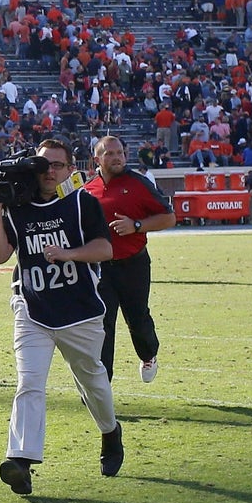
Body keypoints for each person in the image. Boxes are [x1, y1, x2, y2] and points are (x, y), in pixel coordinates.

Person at [0, 138, 124, 496]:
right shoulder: (19, 206)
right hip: (33, 309)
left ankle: (110, 433)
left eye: (58, 165)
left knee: (92, 380)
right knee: (29, 382)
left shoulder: (82, 202)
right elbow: (0, 255)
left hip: (80, 311)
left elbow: (105, 249)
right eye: (43, 164)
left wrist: (69, 253)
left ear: (71, 170)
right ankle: (21, 461)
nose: (49, 171)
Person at [83, 136, 176, 383]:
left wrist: (136, 225)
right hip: (101, 268)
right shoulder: (88, 189)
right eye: (109, 154)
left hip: (134, 264)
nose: (116, 158)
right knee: (102, 325)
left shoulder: (139, 184)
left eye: (120, 153)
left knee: (137, 318)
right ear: (97, 159)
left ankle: (148, 354)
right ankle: (101, 386)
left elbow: (169, 218)